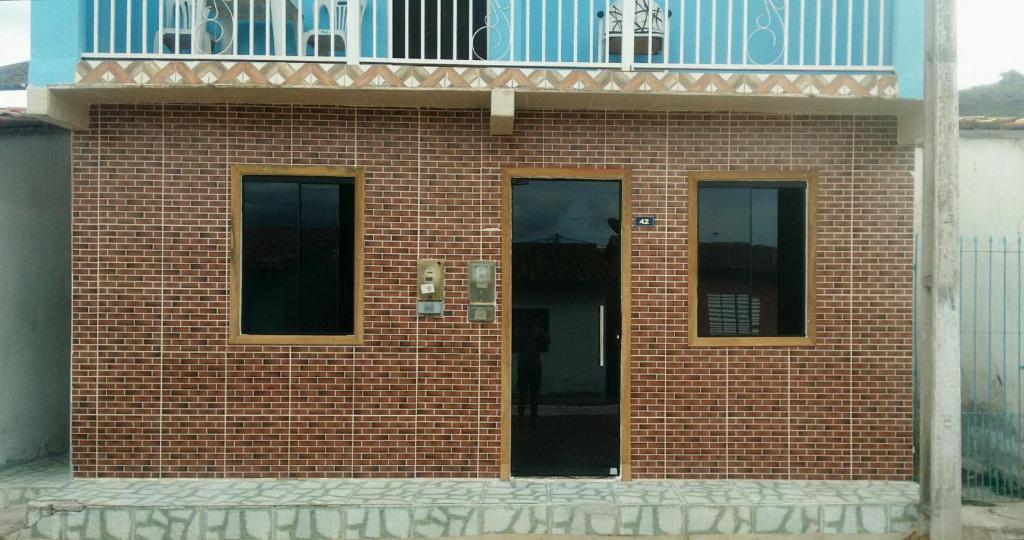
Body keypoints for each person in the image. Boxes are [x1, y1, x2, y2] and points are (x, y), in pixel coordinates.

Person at [515, 314, 550, 422]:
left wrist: (539, 328)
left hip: (530, 364)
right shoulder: (521, 330)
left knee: (532, 393)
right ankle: (523, 417)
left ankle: (531, 418)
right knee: (524, 393)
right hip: (527, 365)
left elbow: (547, 340)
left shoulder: (535, 331)